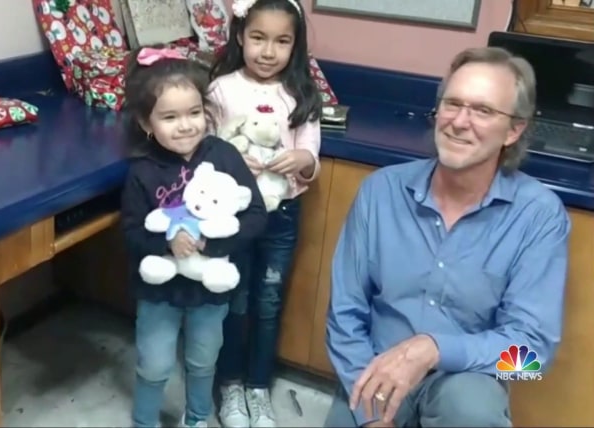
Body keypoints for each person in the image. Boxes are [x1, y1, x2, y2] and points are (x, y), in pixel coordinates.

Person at [324, 47, 572, 427]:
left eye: (483, 110)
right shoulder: (380, 192)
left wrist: (435, 349)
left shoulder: (540, 216)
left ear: (514, 130)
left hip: (467, 384)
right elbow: (344, 315)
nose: (459, 122)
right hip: (377, 371)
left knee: (471, 408)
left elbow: (532, 359)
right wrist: (370, 416)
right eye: (452, 104)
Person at [120, 46, 268, 428]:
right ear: (146, 122)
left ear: (206, 111)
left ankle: (198, 418)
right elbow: (131, 231)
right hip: (159, 292)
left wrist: (211, 245)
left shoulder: (224, 156)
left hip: (210, 290)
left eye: (194, 113)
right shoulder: (141, 170)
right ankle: (144, 422)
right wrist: (166, 244)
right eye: (170, 117)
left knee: (203, 360)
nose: (185, 126)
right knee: (153, 364)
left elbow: (255, 215)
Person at [207, 0, 323, 426]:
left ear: (295, 46)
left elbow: (311, 155)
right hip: (233, 216)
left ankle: (258, 387)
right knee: (234, 301)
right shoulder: (220, 89)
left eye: (281, 41)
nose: (268, 51)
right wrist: (230, 160)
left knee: (268, 302)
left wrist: (302, 161)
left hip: (281, 215)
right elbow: (204, 149)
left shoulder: (301, 94)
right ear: (240, 36)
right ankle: (230, 385)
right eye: (258, 38)